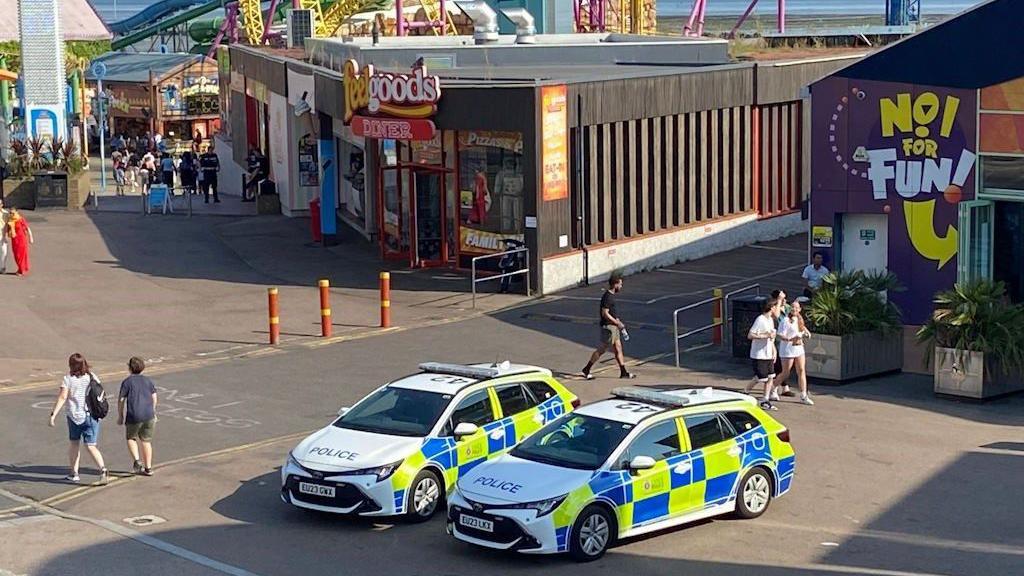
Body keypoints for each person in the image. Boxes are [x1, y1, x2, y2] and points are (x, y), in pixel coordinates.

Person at [47, 353, 109, 484]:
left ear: (71, 365)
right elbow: (99, 395)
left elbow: (63, 398)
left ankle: (74, 473)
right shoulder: (92, 377)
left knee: (74, 444)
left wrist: (53, 415)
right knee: (91, 446)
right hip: (91, 416)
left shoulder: (68, 379)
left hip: (74, 417)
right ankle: (103, 470)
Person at [581, 274, 637, 380]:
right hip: (609, 327)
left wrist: (617, 321)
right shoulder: (607, 297)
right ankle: (587, 369)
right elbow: (605, 313)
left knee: (618, 348)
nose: (621, 287)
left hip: (613, 326)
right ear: (615, 284)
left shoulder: (610, 296)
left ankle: (623, 372)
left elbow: (611, 312)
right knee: (602, 349)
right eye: (620, 284)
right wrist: (617, 322)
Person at [118, 357, 158, 476]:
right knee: (146, 441)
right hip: (149, 414)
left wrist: (120, 415)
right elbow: (154, 397)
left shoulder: (127, 382)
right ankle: (148, 468)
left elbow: (121, 400)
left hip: (134, 414)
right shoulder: (148, 381)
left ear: (130, 368)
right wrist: (153, 411)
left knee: (131, 438)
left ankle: (136, 460)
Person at [774, 300, 814, 405]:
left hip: (799, 348)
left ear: (800, 309)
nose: (794, 309)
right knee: (786, 372)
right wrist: (791, 339)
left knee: (801, 370)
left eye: (796, 308)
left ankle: (803, 395)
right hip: (787, 349)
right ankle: (773, 388)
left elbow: (802, 328)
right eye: (792, 307)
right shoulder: (785, 320)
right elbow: (780, 335)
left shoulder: (799, 319)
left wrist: (806, 332)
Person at [746, 299, 780, 411]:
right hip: (759, 354)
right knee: (761, 377)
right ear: (771, 308)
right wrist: (764, 336)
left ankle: (765, 399)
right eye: (775, 307)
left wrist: (774, 350)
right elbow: (750, 335)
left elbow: (771, 338)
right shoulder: (760, 320)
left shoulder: (770, 320)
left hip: (768, 354)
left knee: (770, 376)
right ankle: (746, 391)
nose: (777, 309)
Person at [7, 208, 33, 276]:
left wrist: (31, 237)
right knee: (16, 255)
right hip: (14, 240)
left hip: (21, 239)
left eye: (13, 213)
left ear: (17, 212)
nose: (12, 214)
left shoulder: (20, 219)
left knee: (21, 255)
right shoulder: (10, 220)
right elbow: (8, 231)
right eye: (10, 213)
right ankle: (20, 268)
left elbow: (27, 228)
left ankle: (22, 270)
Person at [0, 198, 9, 274]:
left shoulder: (5, 213)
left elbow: (7, 225)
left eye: (0, 204)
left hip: (2, 235)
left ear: (2, 205)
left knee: (4, 251)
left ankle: (2, 267)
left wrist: (5, 235)